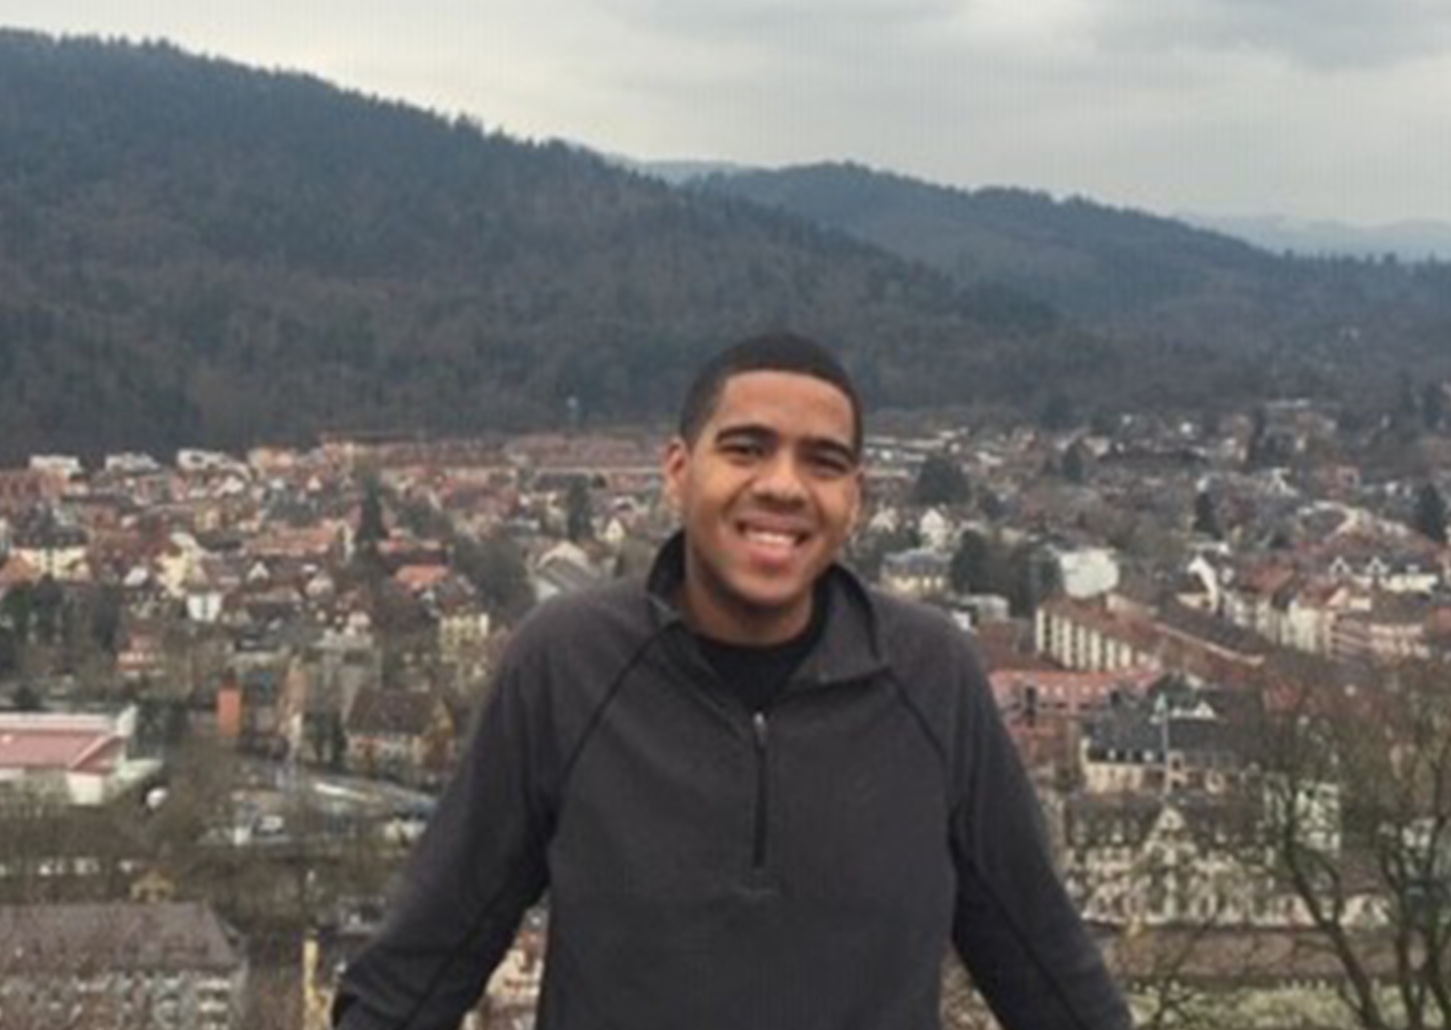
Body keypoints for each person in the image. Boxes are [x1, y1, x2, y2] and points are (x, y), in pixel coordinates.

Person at [332, 333, 1131, 1030]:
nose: (783, 485)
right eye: (746, 448)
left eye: (823, 462)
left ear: (855, 497)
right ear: (678, 470)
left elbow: (1052, 981)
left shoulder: (932, 680)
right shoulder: (567, 668)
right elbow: (419, 972)